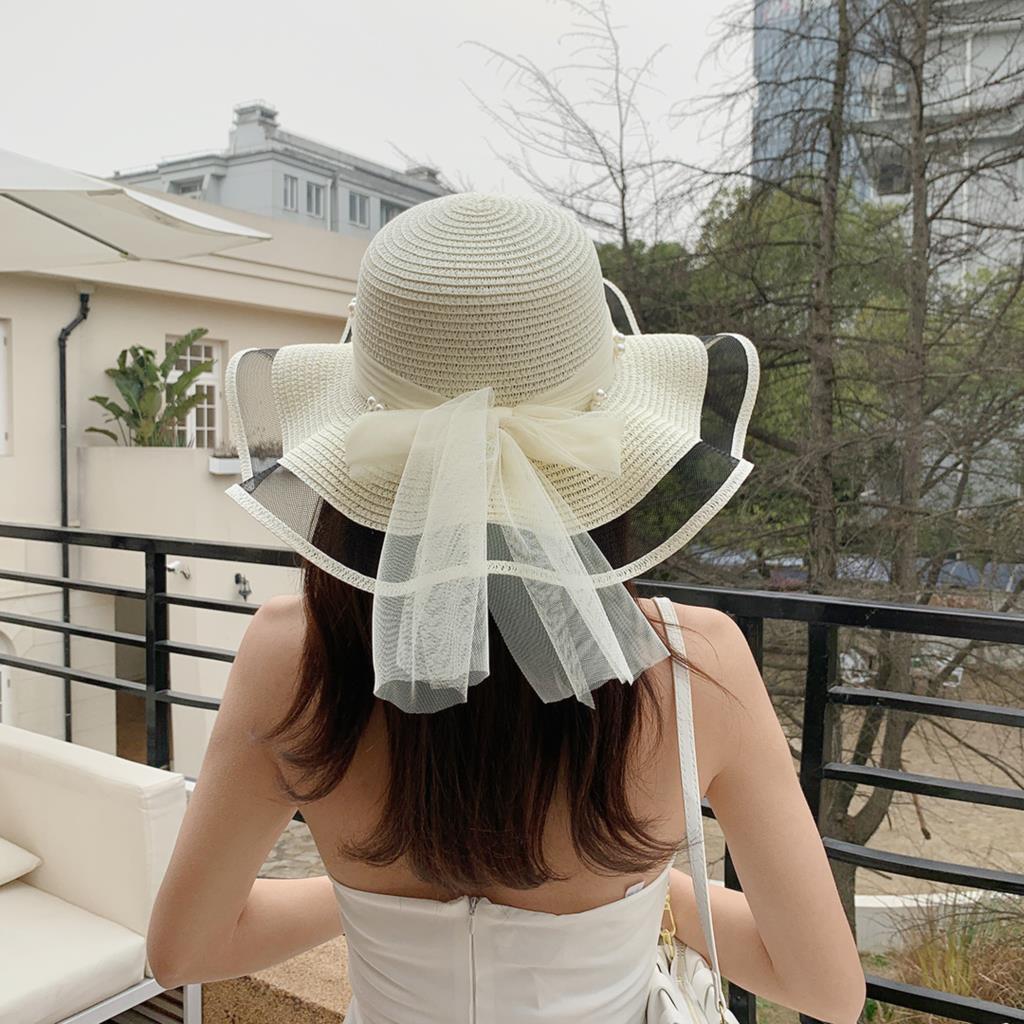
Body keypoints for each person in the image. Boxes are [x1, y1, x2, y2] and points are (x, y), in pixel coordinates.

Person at [145, 192, 865, 1023]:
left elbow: (186, 950)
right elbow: (826, 990)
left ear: (362, 441)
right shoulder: (695, 661)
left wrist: (360, 891)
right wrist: (640, 889)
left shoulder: (290, 654)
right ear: (608, 445)